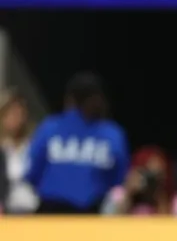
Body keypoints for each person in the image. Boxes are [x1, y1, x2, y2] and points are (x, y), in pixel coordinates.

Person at [26, 73, 130, 214]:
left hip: (72, 211)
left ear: (69, 100)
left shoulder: (50, 127)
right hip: (72, 211)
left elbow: (32, 172)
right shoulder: (112, 134)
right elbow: (119, 179)